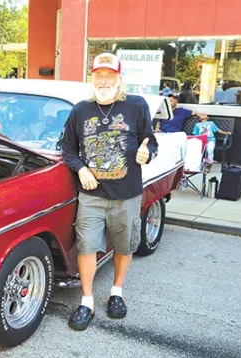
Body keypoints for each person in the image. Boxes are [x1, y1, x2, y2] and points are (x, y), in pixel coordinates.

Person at [61, 52, 158, 331]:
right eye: (98, 75)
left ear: (119, 79)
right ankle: (87, 301)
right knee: (87, 246)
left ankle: (116, 291)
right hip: (91, 196)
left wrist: (146, 153)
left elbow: (150, 142)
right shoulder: (80, 110)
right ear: (92, 78)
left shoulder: (136, 106)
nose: (104, 81)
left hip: (127, 194)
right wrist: (80, 169)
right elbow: (67, 148)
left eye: (110, 76)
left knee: (125, 244)